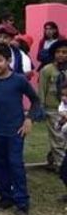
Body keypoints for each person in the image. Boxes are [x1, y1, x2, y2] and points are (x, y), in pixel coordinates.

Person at [0, 43, 40, 215]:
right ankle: (6, 197)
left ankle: (22, 201)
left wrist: (29, 119)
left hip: (15, 132)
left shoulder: (19, 80)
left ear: (8, 61)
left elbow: (35, 101)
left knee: (15, 165)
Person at [38, 39, 67, 168]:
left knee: (63, 136)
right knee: (58, 137)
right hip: (52, 108)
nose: (61, 55)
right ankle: (61, 166)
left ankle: (51, 159)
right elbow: (41, 89)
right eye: (58, 52)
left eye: (65, 52)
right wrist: (41, 106)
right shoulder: (47, 70)